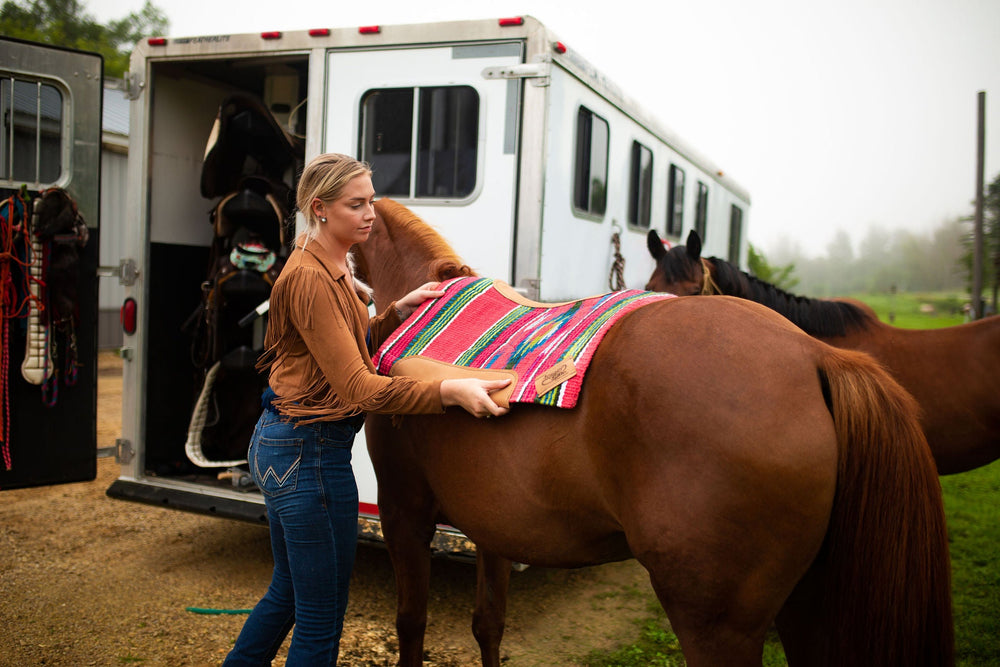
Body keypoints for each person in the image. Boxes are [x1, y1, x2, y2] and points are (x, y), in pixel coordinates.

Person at [223, 153, 510, 666]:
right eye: (356, 205)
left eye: (371, 201)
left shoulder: (329, 261)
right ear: (321, 208)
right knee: (319, 621)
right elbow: (359, 388)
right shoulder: (312, 278)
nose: (370, 214)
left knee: (287, 595)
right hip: (308, 456)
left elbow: (334, 347)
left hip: (285, 445)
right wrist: (450, 391)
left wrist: (394, 312)